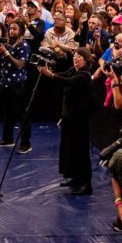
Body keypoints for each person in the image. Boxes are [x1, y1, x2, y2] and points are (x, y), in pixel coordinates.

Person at [38, 47, 95, 194]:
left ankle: (86, 183)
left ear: (86, 59)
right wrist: (49, 71)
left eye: (79, 57)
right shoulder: (73, 70)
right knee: (70, 148)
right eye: (74, 56)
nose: (75, 58)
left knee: (81, 150)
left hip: (79, 118)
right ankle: (74, 176)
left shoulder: (84, 76)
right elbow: (62, 75)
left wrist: (50, 74)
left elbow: (67, 81)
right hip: (69, 116)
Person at [0, 19, 32, 154]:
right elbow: (1, 56)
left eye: (14, 29)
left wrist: (6, 54)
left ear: (21, 31)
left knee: (22, 114)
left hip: (17, 84)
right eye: (10, 29)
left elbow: (19, 64)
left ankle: (26, 143)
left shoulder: (24, 45)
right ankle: (8, 139)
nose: (11, 31)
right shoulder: (9, 43)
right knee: (8, 113)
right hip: (5, 83)